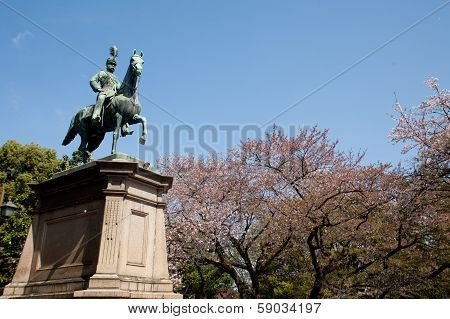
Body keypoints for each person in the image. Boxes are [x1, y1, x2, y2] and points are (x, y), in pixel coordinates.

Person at [90, 47, 121, 124]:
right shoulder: (102, 73)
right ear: (107, 64)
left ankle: (125, 126)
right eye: (111, 64)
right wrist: (98, 88)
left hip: (114, 94)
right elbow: (93, 80)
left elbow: (119, 87)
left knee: (123, 105)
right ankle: (96, 115)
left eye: (114, 65)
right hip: (105, 91)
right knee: (101, 97)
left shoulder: (116, 78)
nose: (113, 66)